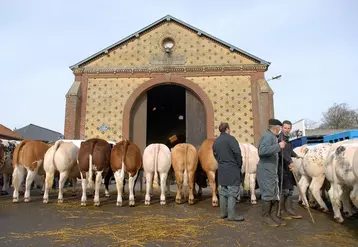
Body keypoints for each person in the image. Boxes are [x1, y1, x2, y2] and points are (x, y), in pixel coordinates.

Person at [257, 119, 287, 227]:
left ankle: (273, 215)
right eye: (279, 128)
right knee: (268, 193)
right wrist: (278, 146)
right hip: (266, 171)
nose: (280, 130)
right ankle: (265, 216)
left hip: (271, 170)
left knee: (274, 193)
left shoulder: (273, 137)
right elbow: (261, 151)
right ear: (275, 127)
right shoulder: (267, 136)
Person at [212, 122, 244, 221]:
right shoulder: (231, 139)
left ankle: (223, 213)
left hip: (221, 169)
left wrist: (221, 163)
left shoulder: (216, 141)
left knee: (223, 191)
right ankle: (232, 215)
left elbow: (215, 155)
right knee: (233, 191)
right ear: (227, 129)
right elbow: (237, 153)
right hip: (232, 168)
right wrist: (239, 164)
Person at [277, 120, 303, 220]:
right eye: (285, 128)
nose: (287, 130)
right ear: (282, 128)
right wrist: (289, 162)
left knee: (290, 189)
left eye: (289, 128)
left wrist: (296, 155)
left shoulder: (287, 139)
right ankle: (282, 211)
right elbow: (281, 152)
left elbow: (289, 151)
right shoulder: (280, 138)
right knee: (284, 190)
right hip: (281, 167)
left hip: (287, 167)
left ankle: (289, 210)